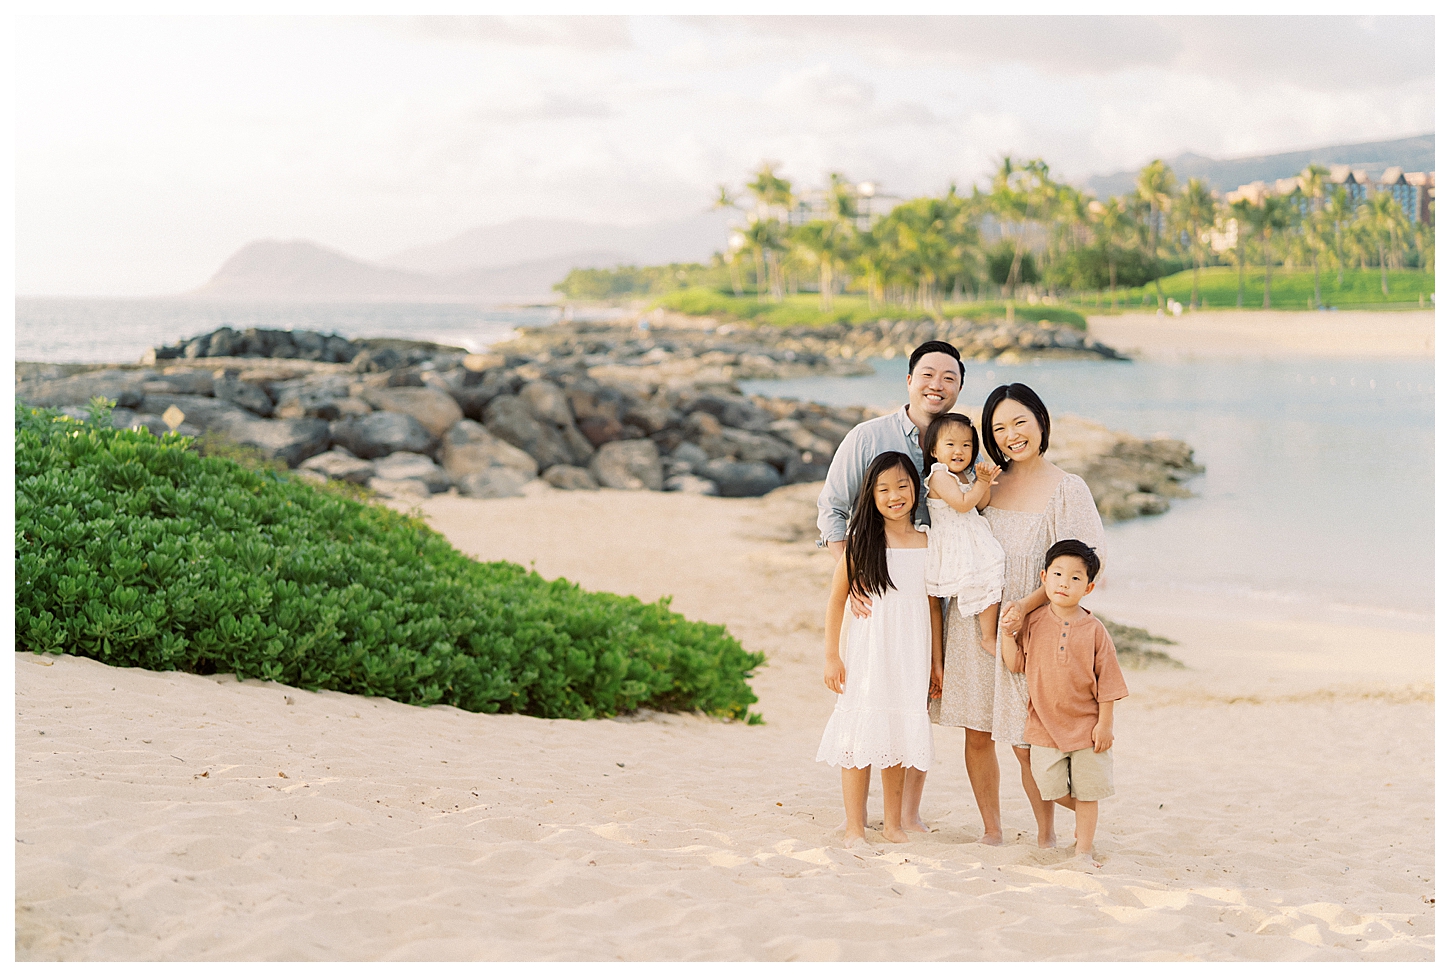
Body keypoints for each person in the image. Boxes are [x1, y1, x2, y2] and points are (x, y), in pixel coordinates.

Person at [934, 382, 1106, 848]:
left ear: (1040, 422)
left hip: (1030, 628)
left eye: (1019, 422)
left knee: (1027, 741)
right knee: (976, 732)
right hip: (974, 616)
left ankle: (1047, 834)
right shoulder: (985, 483)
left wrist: (1026, 608)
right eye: (999, 428)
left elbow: (1090, 561)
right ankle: (992, 830)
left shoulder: (1068, 488)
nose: (1011, 435)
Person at [815, 340, 964, 832]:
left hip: (929, 592)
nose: (936, 385)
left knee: (912, 708)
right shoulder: (868, 436)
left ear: (959, 386)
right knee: (867, 707)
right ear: (908, 380)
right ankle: (862, 822)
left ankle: (903, 816)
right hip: (877, 595)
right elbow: (833, 509)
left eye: (949, 377)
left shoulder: (957, 441)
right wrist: (856, 570)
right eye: (928, 374)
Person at [816, 451, 943, 848]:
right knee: (859, 740)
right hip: (869, 655)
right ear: (870, 496)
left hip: (912, 656)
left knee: (898, 738)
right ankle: (855, 825)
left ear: (915, 490)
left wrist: (937, 662)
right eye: (883, 489)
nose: (894, 496)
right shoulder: (862, 543)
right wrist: (832, 655)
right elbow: (836, 601)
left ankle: (892, 825)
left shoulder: (928, 541)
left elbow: (933, 607)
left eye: (903, 486)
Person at [1002, 539, 1127, 871]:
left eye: (1075, 578)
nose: (1064, 583)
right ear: (1043, 577)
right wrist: (1006, 634)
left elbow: (1109, 682)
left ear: (1088, 587)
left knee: (1088, 792)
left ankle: (1083, 851)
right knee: (1049, 788)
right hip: (1043, 725)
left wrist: (1105, 724)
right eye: (1057, 574)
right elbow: (1014, 663)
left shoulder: (1096, 630)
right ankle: (1088, 814)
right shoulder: (1034, 622)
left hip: (1087, 727)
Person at [921, 412, 1006, 655]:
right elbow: (962, 503)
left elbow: (981, 504)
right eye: (950, 444)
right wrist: (979, 484)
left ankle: (988, 634)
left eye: (966, 445)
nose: (959, 451)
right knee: (981, 576)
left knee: (990, 577)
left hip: (972, 537)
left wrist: (985, 482)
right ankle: (988, 637)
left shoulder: (966, 475)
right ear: (934, 450)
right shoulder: (939, 475)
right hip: (955, 540)